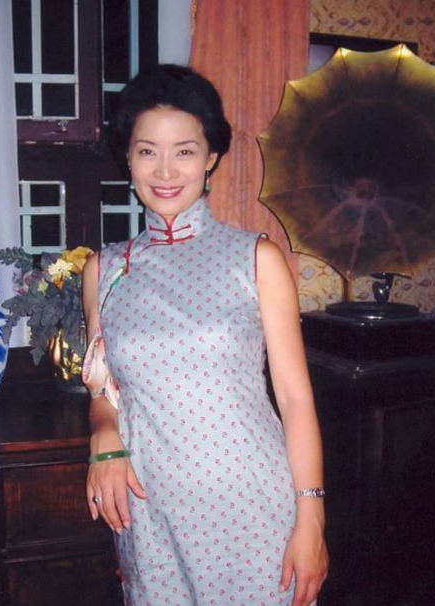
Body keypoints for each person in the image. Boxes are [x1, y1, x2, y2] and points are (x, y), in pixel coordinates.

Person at [83, 64, 328, 606]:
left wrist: (311, 517)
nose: (165, 170)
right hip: (150, 516)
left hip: (253, 510)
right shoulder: (105, 269)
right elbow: (102, 387)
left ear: (212, 157)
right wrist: (103, 436)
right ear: (128, 158)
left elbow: (295, 399)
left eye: (185, 151)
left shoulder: (256, 259)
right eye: (147, 151)